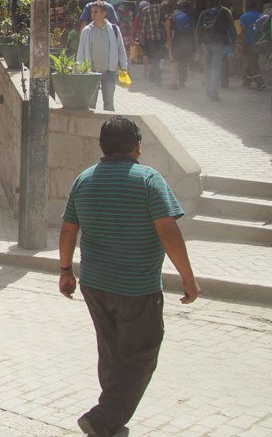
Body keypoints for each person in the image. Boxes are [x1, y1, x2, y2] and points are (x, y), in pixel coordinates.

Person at [59, 116, 199, 437]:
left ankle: (111, 417)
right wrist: (188, 278)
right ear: (137, 146)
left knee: (112, 351)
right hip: (136, 288)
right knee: (141, 353)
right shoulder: (149, 180)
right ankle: (103, 418)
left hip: (94, 285)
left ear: (102, 146)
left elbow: (68, 230)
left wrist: (66, 272)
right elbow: (168, 231)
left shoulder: (84, 179)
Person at [77, 1, 129, 112]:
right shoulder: (86, 31)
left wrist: (123, 66)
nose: (93, 14)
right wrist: (79, 69)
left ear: (104, 13)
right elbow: (80, 51)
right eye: (92, 12)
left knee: (109, 105)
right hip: (91, 72)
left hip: (109, 72)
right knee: (90, 105)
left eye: (96, 12)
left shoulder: (114, 29)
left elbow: (121, 49)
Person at [195, 0, 236, 102]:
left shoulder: (204, 13)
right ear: (220, 3)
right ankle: (213, 91)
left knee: (207, 67)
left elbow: (198, 30)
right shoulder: (224, 12)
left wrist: (198, 45)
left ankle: (208, 88)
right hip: (218, 43)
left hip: (205, 43)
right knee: (216, 67)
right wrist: (233, 43)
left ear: (209, 3)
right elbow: (231, 28)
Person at [135, 0, 166, 85]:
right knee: (158, 58)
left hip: (151, 38)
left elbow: (143, 25)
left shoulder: (146, 10)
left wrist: (141, 38)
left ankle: (157, 79)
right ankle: (153, 76)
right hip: (161, 37)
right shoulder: (161, 8)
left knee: (154, 58)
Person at [166, 0, 195, 90]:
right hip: (188, 41)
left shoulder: (172, 16)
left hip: (176, 41)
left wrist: (169, 48)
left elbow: (169, 33)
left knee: (174, 62)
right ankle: (182, 81)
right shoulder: (191, 15)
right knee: (184, 62)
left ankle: (174, 84)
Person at [239, 1, 266, 90]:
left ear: (247, 7)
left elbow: (243, 31)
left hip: (249, 42)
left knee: (252, 61)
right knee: (252, 59)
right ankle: (247, 80)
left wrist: (242, 42)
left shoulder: (244, 16)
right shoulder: (261, 16)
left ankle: (260, 82)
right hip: (260, 42)